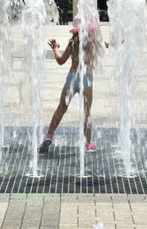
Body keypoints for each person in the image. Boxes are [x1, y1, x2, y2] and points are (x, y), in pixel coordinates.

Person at [39, 16, 108, 154]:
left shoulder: (73, 43)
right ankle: (88, 144)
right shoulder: (94, 42)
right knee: (87, 113)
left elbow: (60, 60)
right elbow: (111, 44)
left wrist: (55, 48)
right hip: (86, 79)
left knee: (61, 108)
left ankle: (49, 136)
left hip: (72, 78)